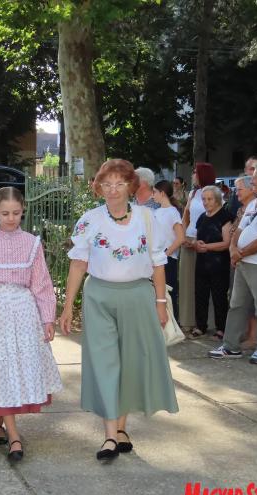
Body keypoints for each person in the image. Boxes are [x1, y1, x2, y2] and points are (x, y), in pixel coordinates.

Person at [59, 159, 178, 461]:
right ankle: (110, 435)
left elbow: (158, 263)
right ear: (99, 187)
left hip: (138, 296)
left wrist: (160, 303)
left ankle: (122, 428)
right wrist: (68, 306)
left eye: (119, 183)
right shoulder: (90, 220)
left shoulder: (147, 218)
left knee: (130, 363)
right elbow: (78, 264)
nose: (112, 189)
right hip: (99, 296)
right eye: (107, 184)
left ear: (131, 187)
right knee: (105, 363)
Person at [0, 187, 62, 463]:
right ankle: (14, 435)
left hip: (23, 313)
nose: (10, 218)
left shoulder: (31, 242)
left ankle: (0, 421)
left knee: (15, 367)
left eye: (16, 213)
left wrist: (47, 318)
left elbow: (41, 284)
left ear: (23, 211)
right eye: (5, 213)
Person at [210, 161, 257, 363]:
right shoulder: (254, 203)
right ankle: (231, 346)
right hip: (243, 261)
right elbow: (240, 230)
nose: (251, 180)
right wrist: (233, 249)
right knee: (236, 304)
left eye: (255, 177)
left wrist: (240, 253)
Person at [188, 186, 233, 340]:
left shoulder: (225, 216)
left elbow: (226, 243)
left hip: (219, 263)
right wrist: (195, 244)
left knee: (219, 296)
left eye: (209, 199)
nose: (206, 202)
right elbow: (196, 238)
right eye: (204, 199)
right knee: (200, 294)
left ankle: (221, 328)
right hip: (202, 262)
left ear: (218, 199)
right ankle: (200, 326)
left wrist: (206, 247)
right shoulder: (202, 217)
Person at [179, 163, 217, 330]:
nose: (192, 174)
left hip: (206, 241)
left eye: (195, 172)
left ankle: (208, 322)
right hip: (188, 238)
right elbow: (186, 215)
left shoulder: (215, 192)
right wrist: (182, 235)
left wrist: (199, 240)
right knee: (187, 282)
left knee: (205, 283)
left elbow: (215, 217)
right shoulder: (193, 193)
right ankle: (187, 320)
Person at [230, 176, 257, 349]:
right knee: (238, 299)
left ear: (250, 189)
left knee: (253, 301)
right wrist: (233, 251)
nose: (236, 192)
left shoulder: (256, 208)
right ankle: (243, 333)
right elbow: (235, 232)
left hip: (250, 258)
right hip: (237, 257)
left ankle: (254, 337)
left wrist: (238, 253)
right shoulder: (242, 209)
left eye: (239, 189)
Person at [153, 180, 184, 319]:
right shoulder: (156, 211)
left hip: (168, 259)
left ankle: (173, 324)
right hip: (156, 259)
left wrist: (166, 254)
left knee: (169, 293)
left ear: (162, 193)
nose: (153, 195)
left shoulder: (172, 212)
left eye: (154, 192)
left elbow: (180, 238)